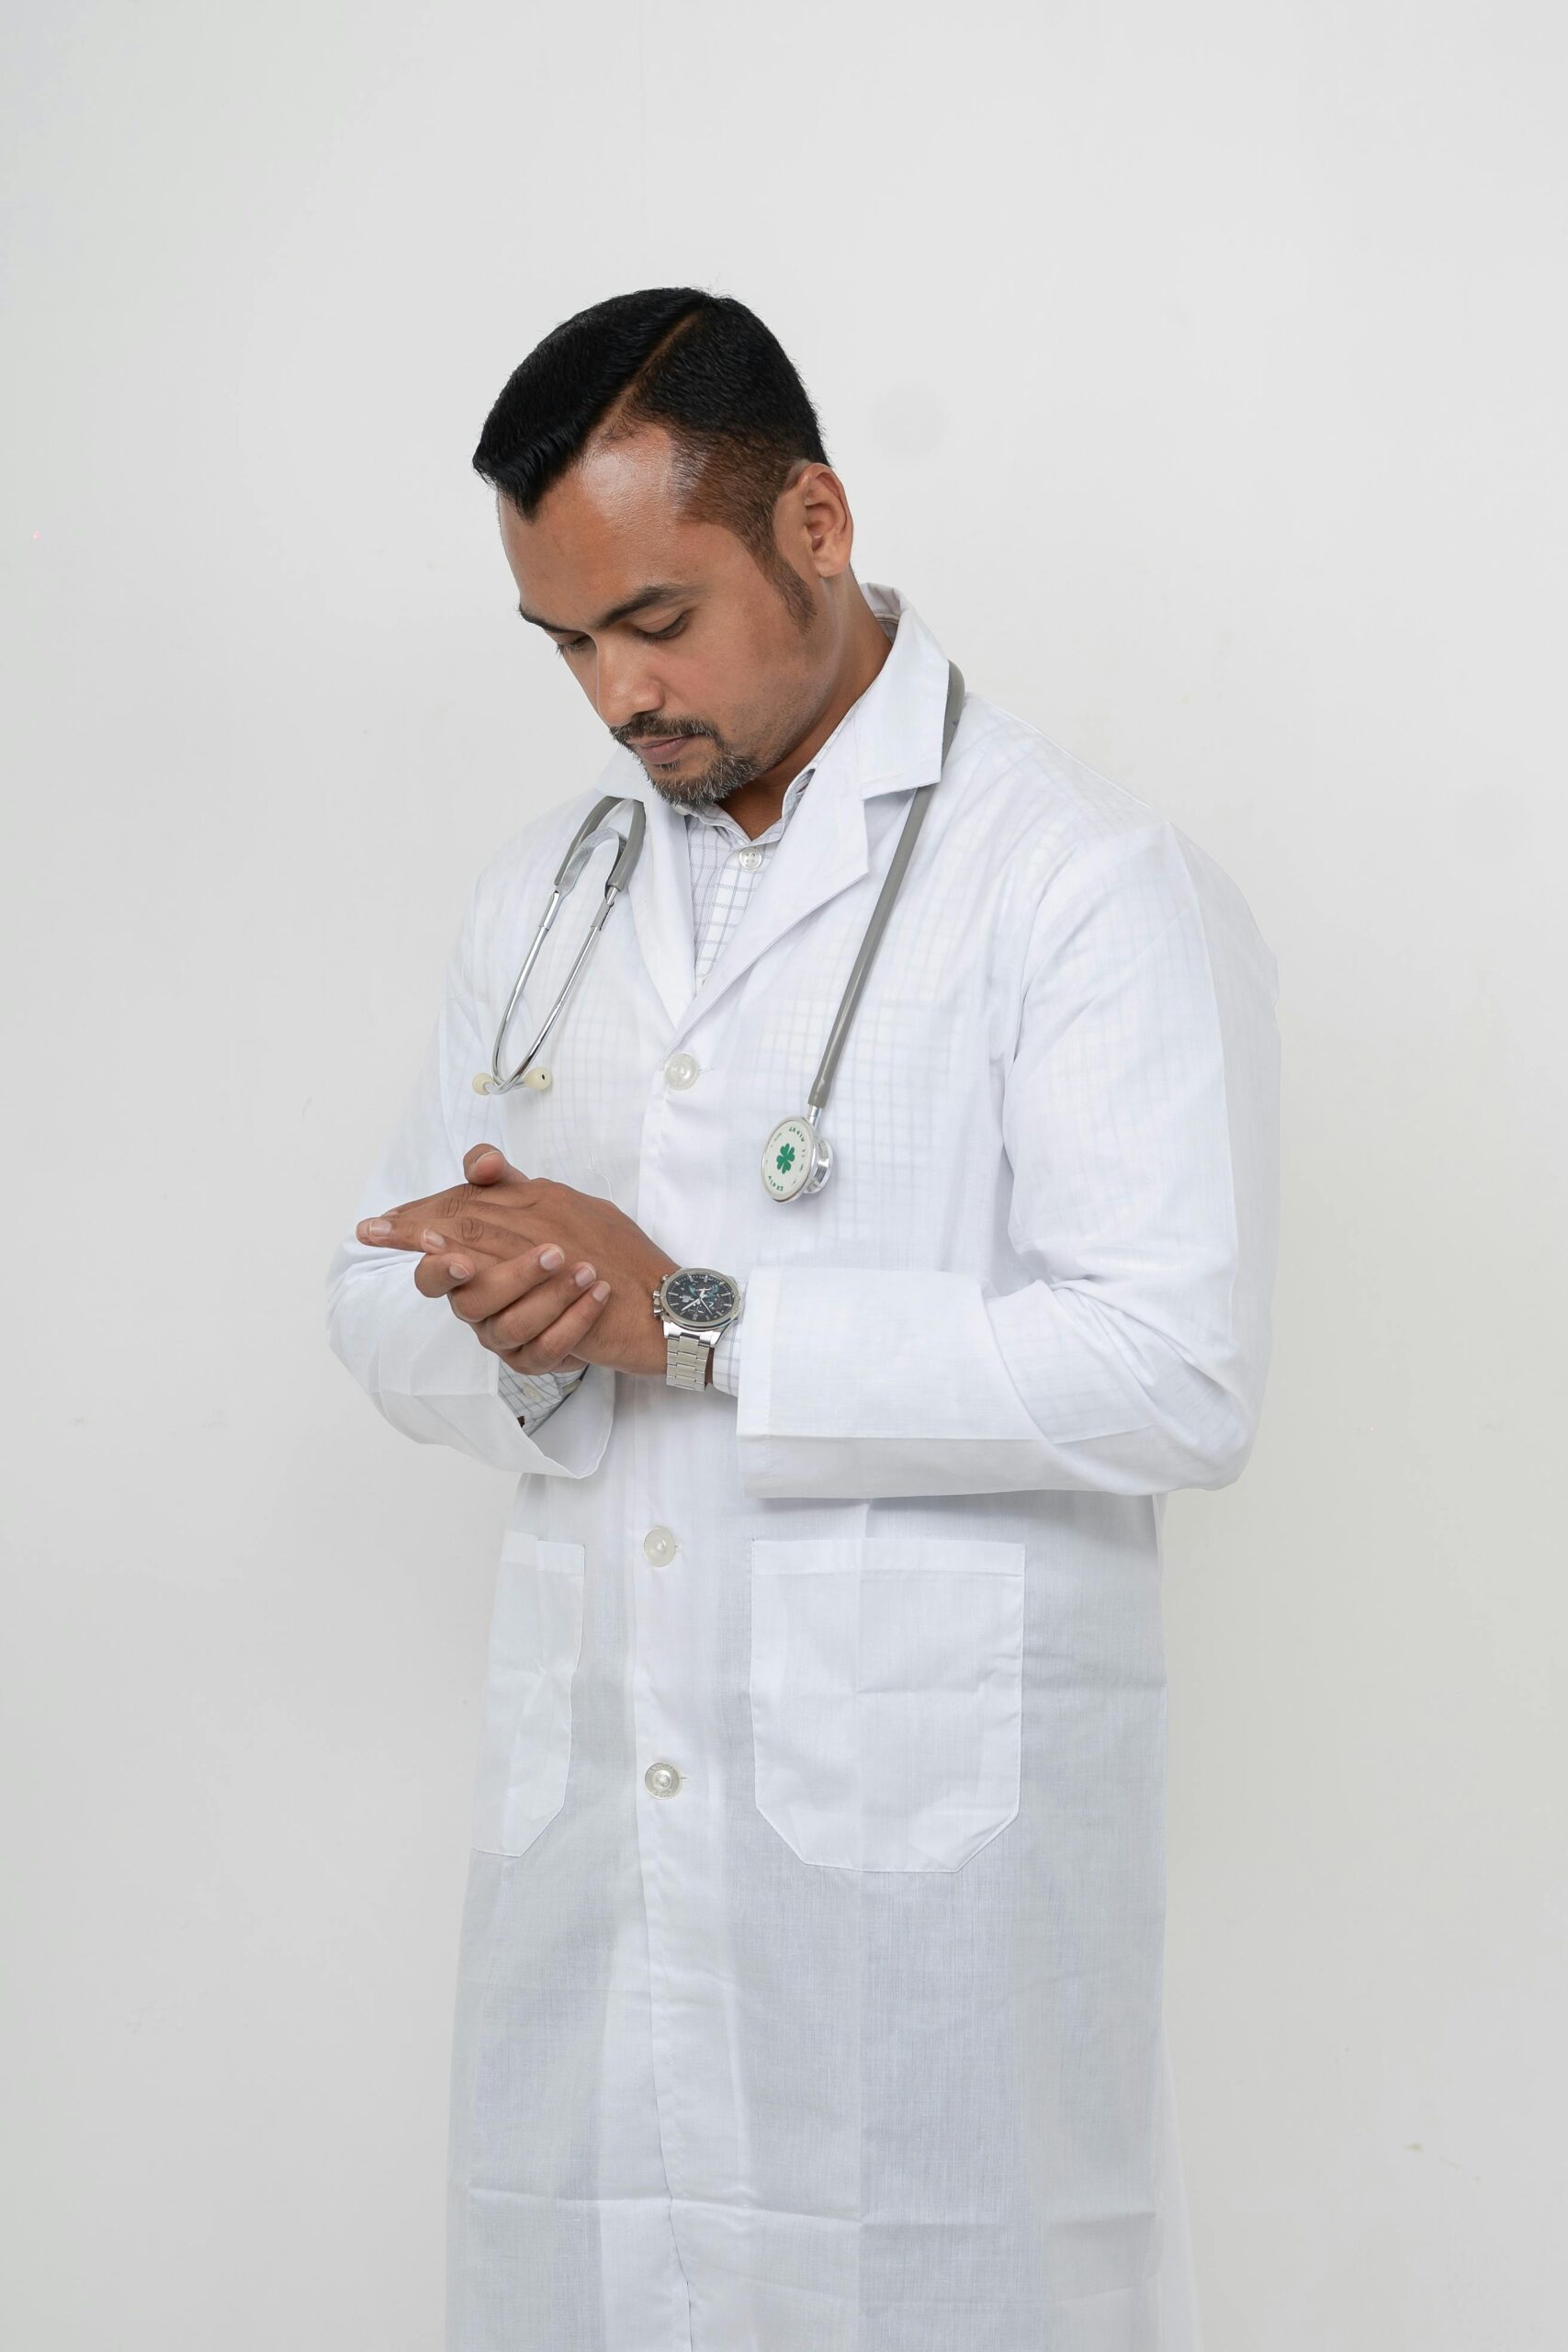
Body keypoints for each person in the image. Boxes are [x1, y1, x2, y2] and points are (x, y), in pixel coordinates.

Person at [325, 286, 1280, 2352]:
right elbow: (374, 1287)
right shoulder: (547, 891)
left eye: (654, 619)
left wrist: (680, 1310)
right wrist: (506, 1319)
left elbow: (1174, 1366)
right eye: (565, 641)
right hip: (601, 1885)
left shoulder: (1077, 881)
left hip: (920, 1901)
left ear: (817, 525)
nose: (611, 695)